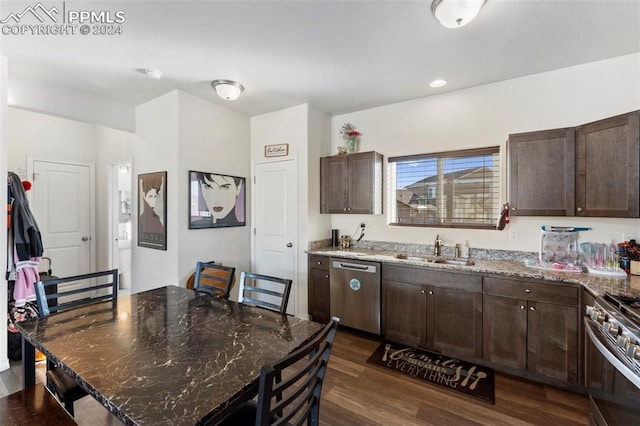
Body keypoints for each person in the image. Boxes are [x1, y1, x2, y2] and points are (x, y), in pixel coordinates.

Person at [139, 174, 165, 246]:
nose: (153, 202)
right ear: (144, 195)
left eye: (155, 196)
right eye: (150, 196)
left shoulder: (151, 217)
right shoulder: (152, 219)